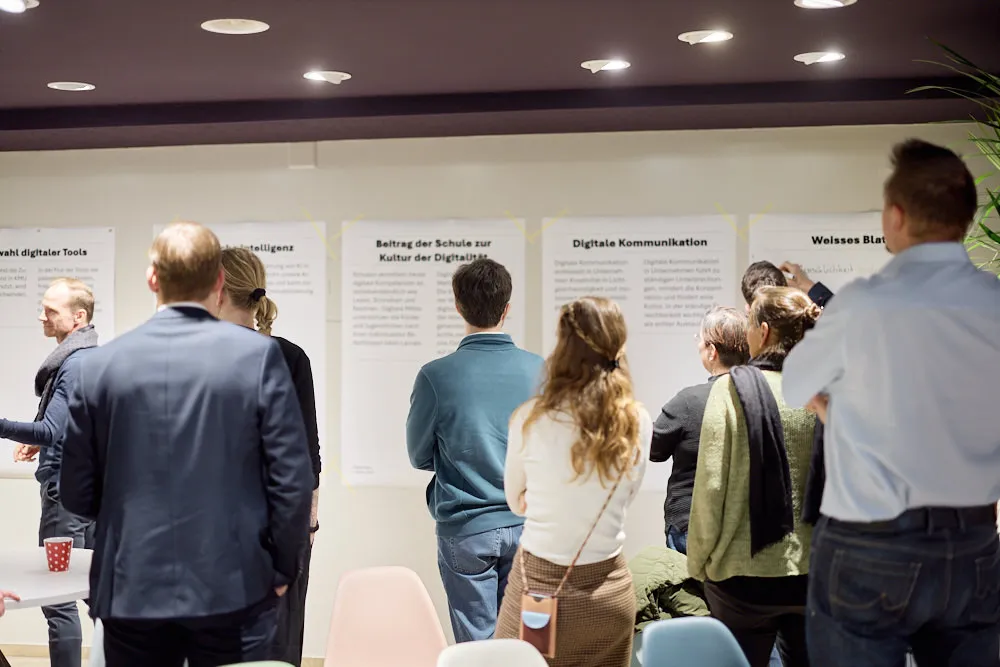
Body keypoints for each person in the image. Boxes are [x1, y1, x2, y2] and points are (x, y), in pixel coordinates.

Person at [784, 139, 1000, 667]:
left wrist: (835, 409)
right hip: (973, 545)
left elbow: (794, 387)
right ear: (967, 219)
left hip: (870, 547)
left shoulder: (861, 306)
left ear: (897, 215)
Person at [58, 221, 314, 667]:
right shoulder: (260, 359)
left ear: (152, 278)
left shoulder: (99, 367)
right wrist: (281, 569)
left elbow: (77, 492)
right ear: (218, 282)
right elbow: (292, 482)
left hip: (131, 589)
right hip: (234, 586)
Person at [496, 296, 651, 667]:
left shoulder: (531, 419)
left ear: (563, 347)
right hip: (610, 593)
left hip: (541, 585)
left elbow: (515, 501)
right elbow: (626, 497)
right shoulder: (638, 421)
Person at [406, 258, 543, 642]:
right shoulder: (542, 371)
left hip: (466, 530)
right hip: (532, 528)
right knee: (534, 642)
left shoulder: (435, 375)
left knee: (478, 649)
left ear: (457, 305)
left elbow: (418, 456)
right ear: (507, 308)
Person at [687, 287, 820, 667]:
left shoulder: (730, 390)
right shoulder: (822, 391)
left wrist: (699, 564)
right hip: (812, 574)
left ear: (763, 331)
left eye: (748, 324)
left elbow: (711, 487)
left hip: (742, 580)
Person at [217, 246, 320, 667]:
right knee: (278, 648)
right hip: (281, 530)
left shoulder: (192, 357)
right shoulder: (290, 357)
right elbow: (307, 458)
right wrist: (309, 523)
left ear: (217, 290)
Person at [0, 277, 99, 667]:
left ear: (78, 317)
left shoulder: (74, 364)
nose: (42, 315)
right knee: (97, 591)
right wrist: (44, 440)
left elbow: (52, 430)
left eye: (50, 310)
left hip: (65, 494)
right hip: (85, 490)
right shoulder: (89, 357)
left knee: (58, 600)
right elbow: (71, 427)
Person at [650, 307, 750, 554]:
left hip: (691, 525)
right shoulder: (762, 398)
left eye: (701, 341)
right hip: (745, 527)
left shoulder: (688, 401)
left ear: (712, 351)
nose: (698, 346)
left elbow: (654, 450)